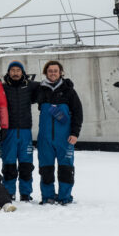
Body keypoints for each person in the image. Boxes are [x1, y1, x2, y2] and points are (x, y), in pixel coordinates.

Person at [36, 60, 83, 205]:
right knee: (46, 169)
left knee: (66, 169)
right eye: (50, 71)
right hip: (45, 138)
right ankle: (48, 196)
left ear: (60, 72)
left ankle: (65, 197)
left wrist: (75, 133)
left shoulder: (69, 91)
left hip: (65, 138)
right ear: (46, 72)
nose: (53, 73)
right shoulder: (40, 90)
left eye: (55, 71)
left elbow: (78, 113)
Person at [0, 60, 36, 201]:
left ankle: (25, 193)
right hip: (9, 131)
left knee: (26, 164)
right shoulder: (3, 87)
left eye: (18, 70)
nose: (15, 73)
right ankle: (9, 192)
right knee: (9, 164)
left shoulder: (29, 86)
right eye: (12, 70)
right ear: (8, 72)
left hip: (25, 131)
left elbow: (47, 85)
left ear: (22, 72)